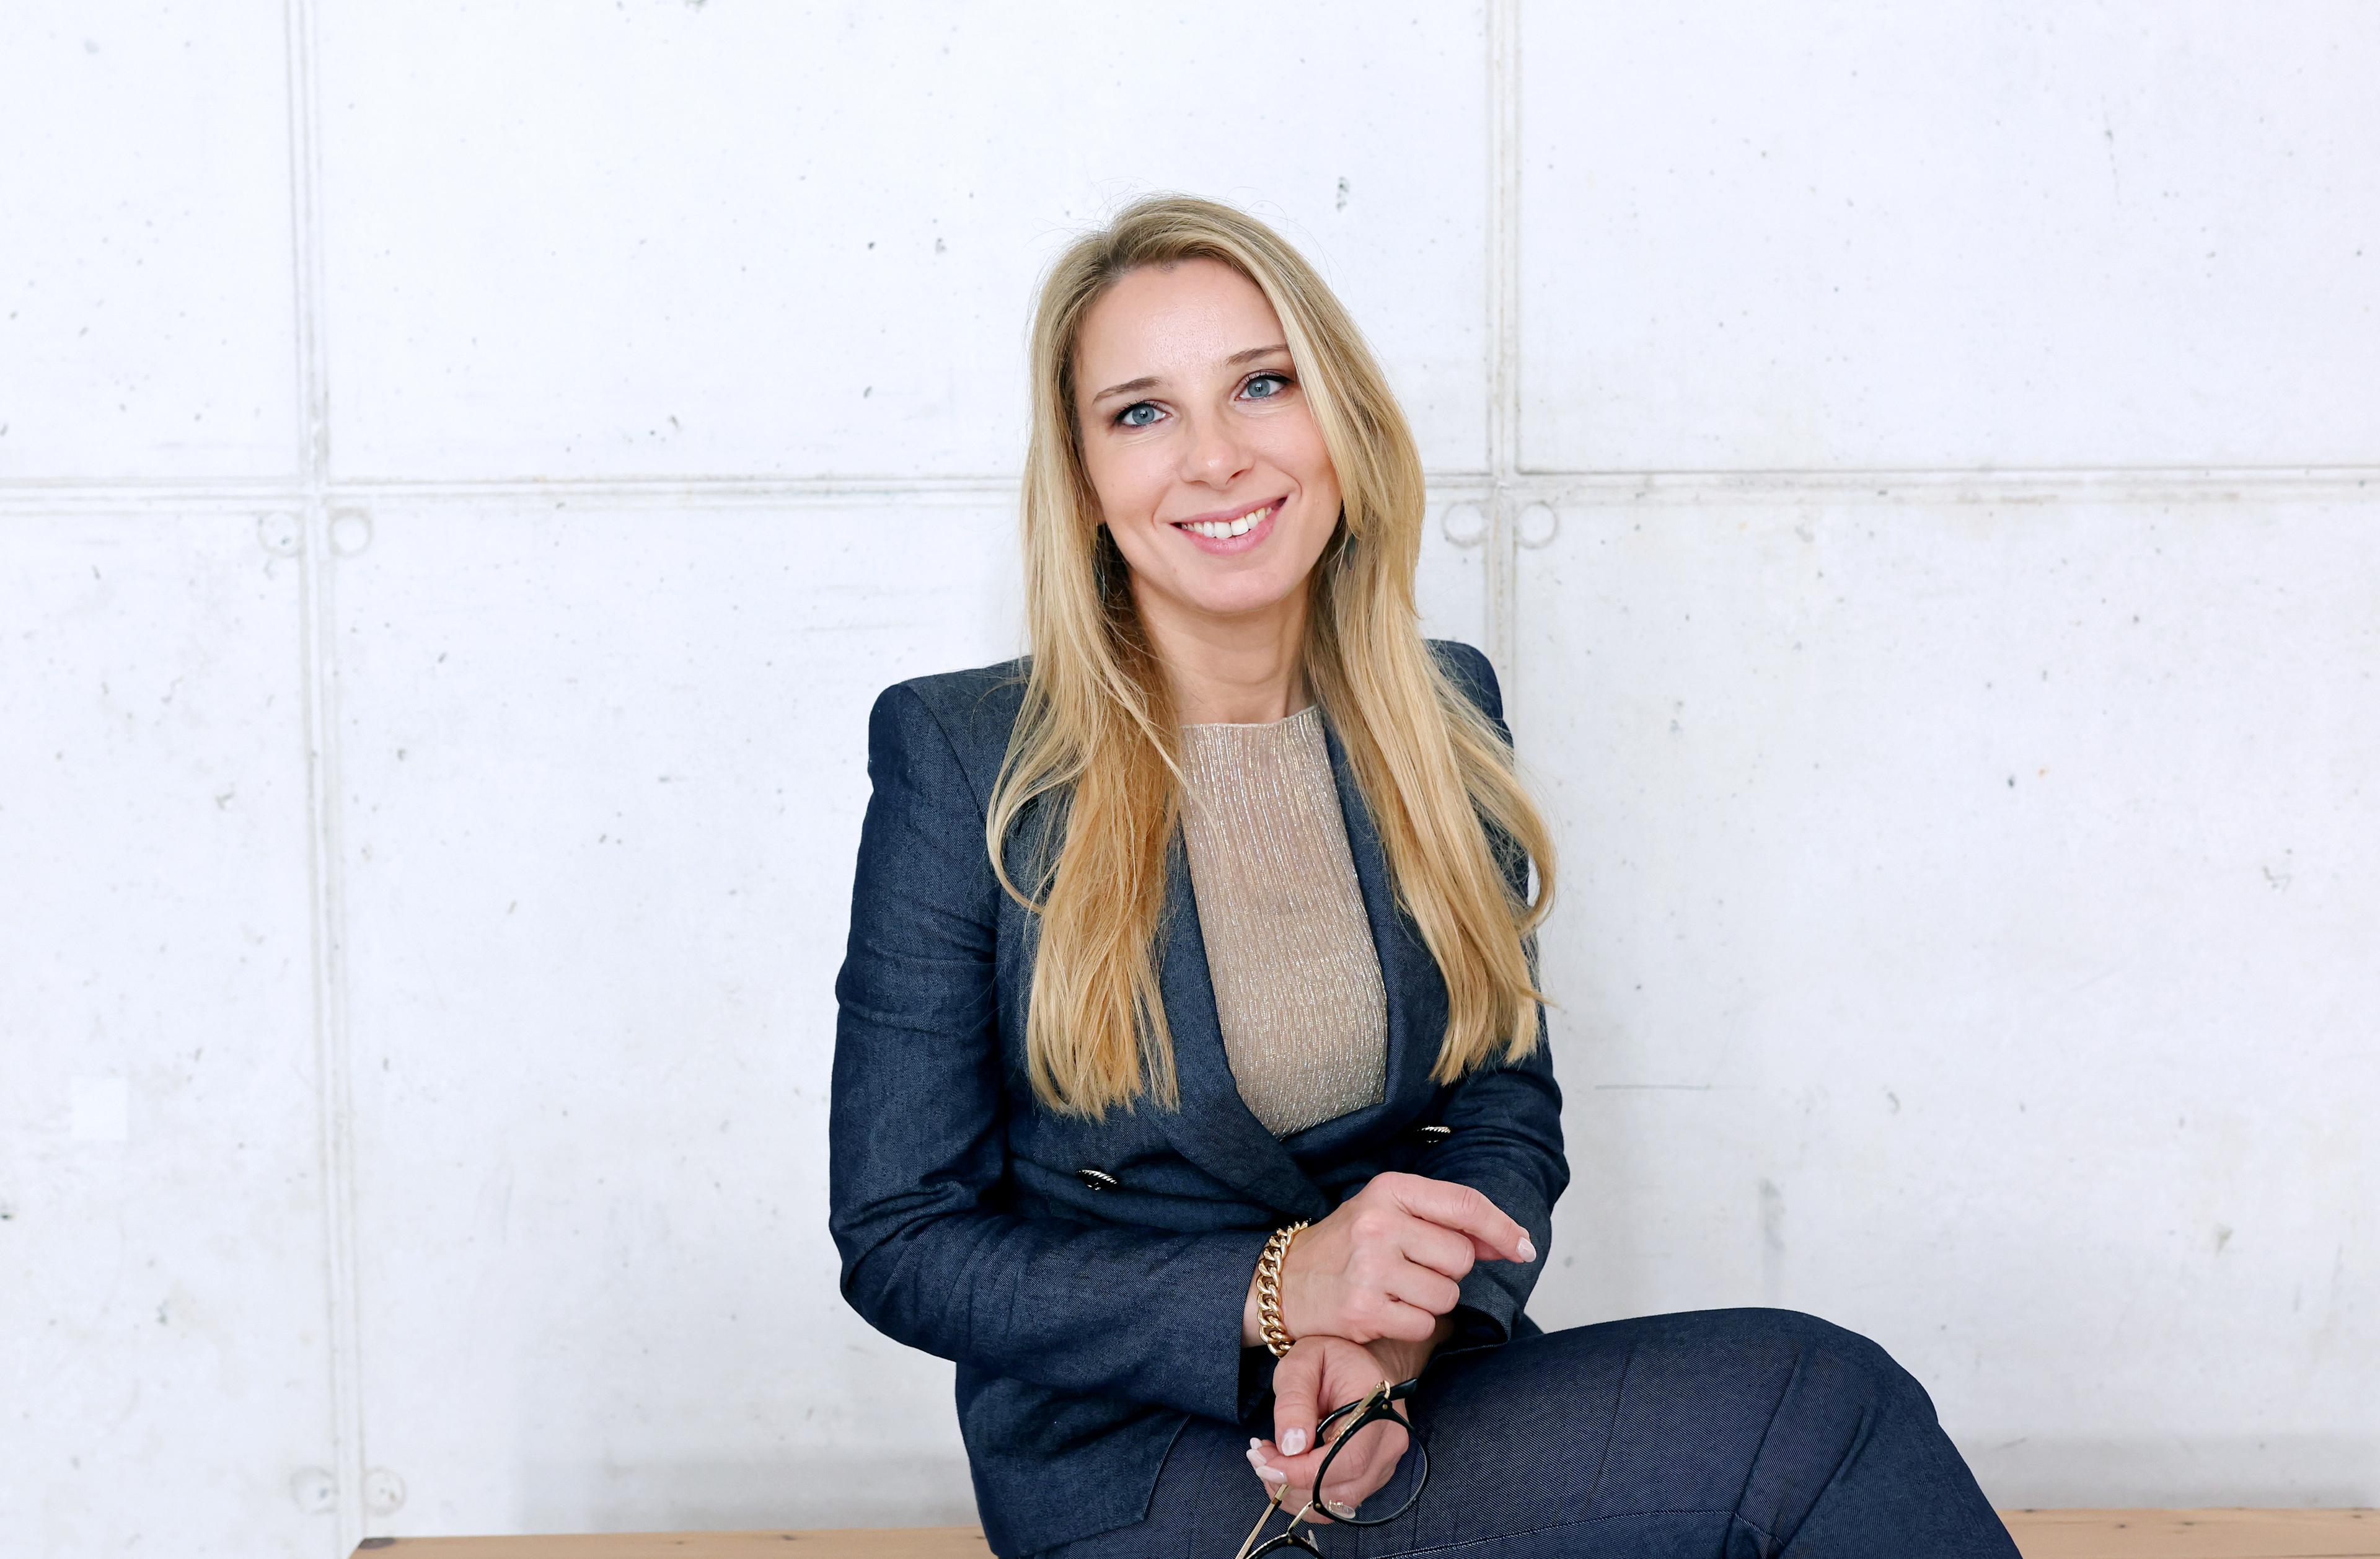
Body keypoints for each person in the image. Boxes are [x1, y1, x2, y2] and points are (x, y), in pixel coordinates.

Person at [828, 195, 2019, 1559]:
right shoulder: (967, 754)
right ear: (1086, 480)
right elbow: (901, 1234)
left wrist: (1396, 1335)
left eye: (1263, 384)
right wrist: (1279, 1289)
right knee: (1817, 1407)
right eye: (1142, 413)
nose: (1216, 456)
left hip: (1411, 1398)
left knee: (1819, 1425)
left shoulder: (1440, 711)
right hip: (1135, 1463)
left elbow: (1501, 1105)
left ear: (1341, 417)